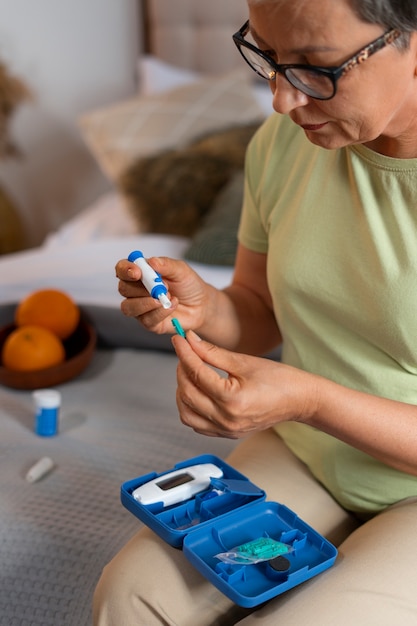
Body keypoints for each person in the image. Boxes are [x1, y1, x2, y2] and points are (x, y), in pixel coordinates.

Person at [93, 0, 417, 623]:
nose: (280, 100)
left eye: (316, 68)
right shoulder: (284, 144)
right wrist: (207, 307)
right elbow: (260, 308)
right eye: (267, 55)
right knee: (131, 595)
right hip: (306, 451)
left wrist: (309, 398)